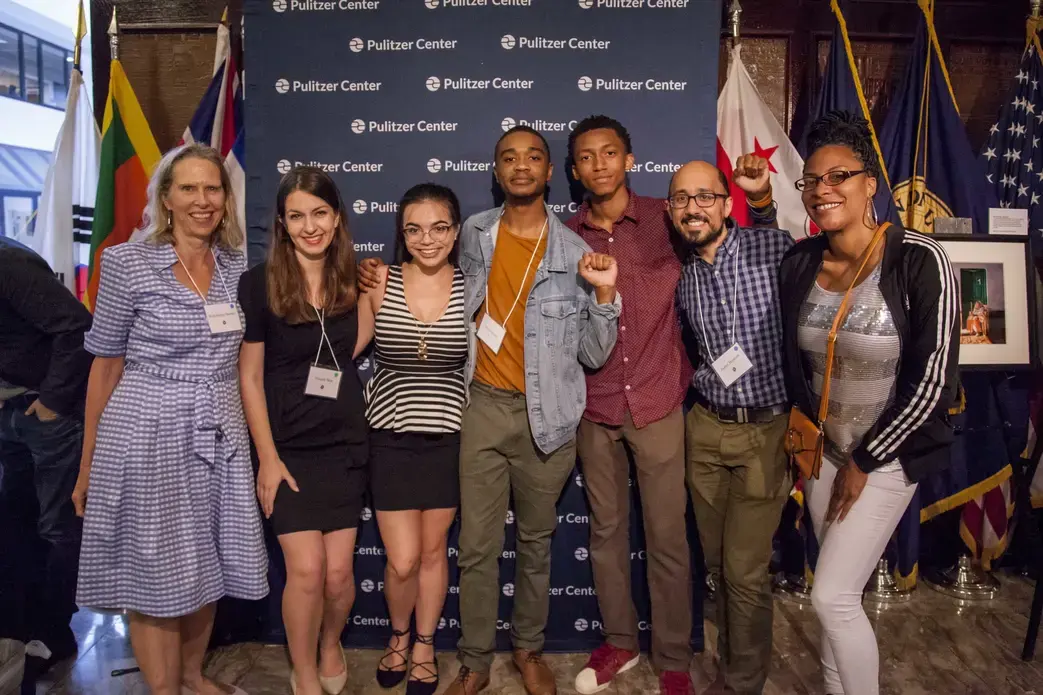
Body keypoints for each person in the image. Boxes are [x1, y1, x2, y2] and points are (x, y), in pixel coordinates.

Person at [362, 126, 620, 695]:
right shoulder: (472, 236)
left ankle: (528, 650)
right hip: (478, 409)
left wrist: (605, 297)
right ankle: (475, 661)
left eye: (533, 157)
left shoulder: (577, 253)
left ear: (551, 172)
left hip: (547, 416)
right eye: (509, 157)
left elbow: (595, 354)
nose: (521, 166)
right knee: (477, 547)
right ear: (497, 172)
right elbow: (425, 284)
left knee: (535, 541)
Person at [71, 143, 268, 695]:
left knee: (207, 561)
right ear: (166, 197)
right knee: (154, 569)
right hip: (146, 431)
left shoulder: (236, 267)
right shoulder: (127, 262)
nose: (202, 201)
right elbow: (105, 367)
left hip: (220, 430)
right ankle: (164, 691)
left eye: (213, 188)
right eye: (189, 188)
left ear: (226, 198)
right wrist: (87, 466)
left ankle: (190, 676)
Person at [779, 111, 959, 695]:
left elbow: (933, 381)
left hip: (887, 458)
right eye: (812, 180)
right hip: (824, 455)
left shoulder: (921, 260)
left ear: (869, 185)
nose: (823, 190)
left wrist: (865, 459)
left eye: (839, 176)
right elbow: (794, 363)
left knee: (831, 597)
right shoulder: (802, 262)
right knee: (838, 597)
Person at [562, 115, 694, 695]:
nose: (599, 165)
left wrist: (759, 198)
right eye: (587, 157)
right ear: (574, 171)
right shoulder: (566, 238)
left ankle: (673, 658)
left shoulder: (668, 222)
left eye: (609, 153)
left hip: (660, 399)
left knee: (667, 536)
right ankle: (620, 643)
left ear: (630, 160)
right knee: (606, 532)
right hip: (596, 405)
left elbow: (728, 247)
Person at [238, 166, 368, 695]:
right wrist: (267, 457)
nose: (309, 226)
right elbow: (247, 376)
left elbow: (352, 348)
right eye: (297, 216)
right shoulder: (259, 283)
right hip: (287, 448)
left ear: (336, 219)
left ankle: (330, 642)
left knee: (339, 578)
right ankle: (305, 670)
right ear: (283, 223)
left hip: (343, 446)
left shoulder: (354, 278)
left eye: (319, 214)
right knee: (308, 572)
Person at [669, 155, 793, 695]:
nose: (692, 207)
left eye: (704, 196)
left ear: (724, 203)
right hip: (705, 429)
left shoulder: (768, 245)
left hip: (765, 433)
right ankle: (730, 654)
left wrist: (760, 195)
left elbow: (775, 232)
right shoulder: (684, 272)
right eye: (681, 199)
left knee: (745, 570)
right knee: (718, 561)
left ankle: (741, 683)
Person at [359, 183, 466, 695]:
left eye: (439, 227)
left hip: (449, 437)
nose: (428, 239)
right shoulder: (380, 280)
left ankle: (424, 643)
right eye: (414, 229)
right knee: (400, 558)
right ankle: (397, 635)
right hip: (390, 436)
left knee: (432, 551)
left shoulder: (472, 285)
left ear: (456, 230)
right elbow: (348, 344)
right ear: (401, 234)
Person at [0, 240, 92, 683]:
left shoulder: (7, 261)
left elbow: (76, 327)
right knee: (15, 523)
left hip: (46, 412)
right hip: (9, 412)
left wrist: (53, 402)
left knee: (57, 528)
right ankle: (21, 629)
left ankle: (54, 632)